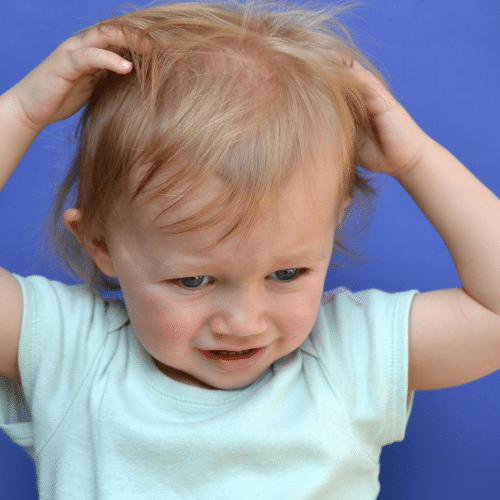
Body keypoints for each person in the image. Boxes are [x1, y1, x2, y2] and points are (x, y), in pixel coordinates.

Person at [1, 1, 499, 498]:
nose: (243, 323)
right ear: (101, 245)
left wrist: (415, 160)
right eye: (194, 280)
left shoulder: (347, 357)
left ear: (331, 230)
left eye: (287, 274)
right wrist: (23, 111)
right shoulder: (72, 353)